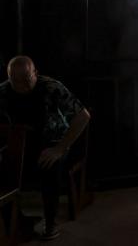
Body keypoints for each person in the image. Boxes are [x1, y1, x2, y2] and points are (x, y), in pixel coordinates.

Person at [0, 56, 91, 240]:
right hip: (23, 144)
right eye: (16, 81)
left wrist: (59, 148)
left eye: (27, 80)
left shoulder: (52, 88)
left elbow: (83, 116)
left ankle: (50, 223)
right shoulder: (2, 91)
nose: (23, 86)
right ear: (9, 78)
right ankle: (14, 220)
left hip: (56, 142)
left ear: (36, 73)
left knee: (49, 165)